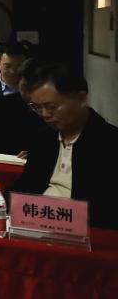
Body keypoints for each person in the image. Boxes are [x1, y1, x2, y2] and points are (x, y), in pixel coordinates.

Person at [12, 61, 118, 229]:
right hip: (36, 223)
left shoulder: (109, 142)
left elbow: (106, 210)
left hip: (85, 231)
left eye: (51, 106)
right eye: (37, 107)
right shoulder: (43, 138)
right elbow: (28, 185)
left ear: (81, 98)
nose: (44, 114)